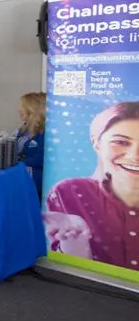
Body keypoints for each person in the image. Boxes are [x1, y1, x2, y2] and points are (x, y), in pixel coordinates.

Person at [45, 102, 139, 270]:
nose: (135, 155)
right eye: (121, 142)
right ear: (97, 143)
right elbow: (71, 268)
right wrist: (75, 240)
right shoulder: (71, 192)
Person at [16, 92, 46, 198]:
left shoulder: (43, 133)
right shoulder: (23, 130)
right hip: (21, 178)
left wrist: (18, 162)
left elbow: (40, 158)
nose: (19, 110)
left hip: (34, 184)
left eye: (22, 107)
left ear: (32, 110)